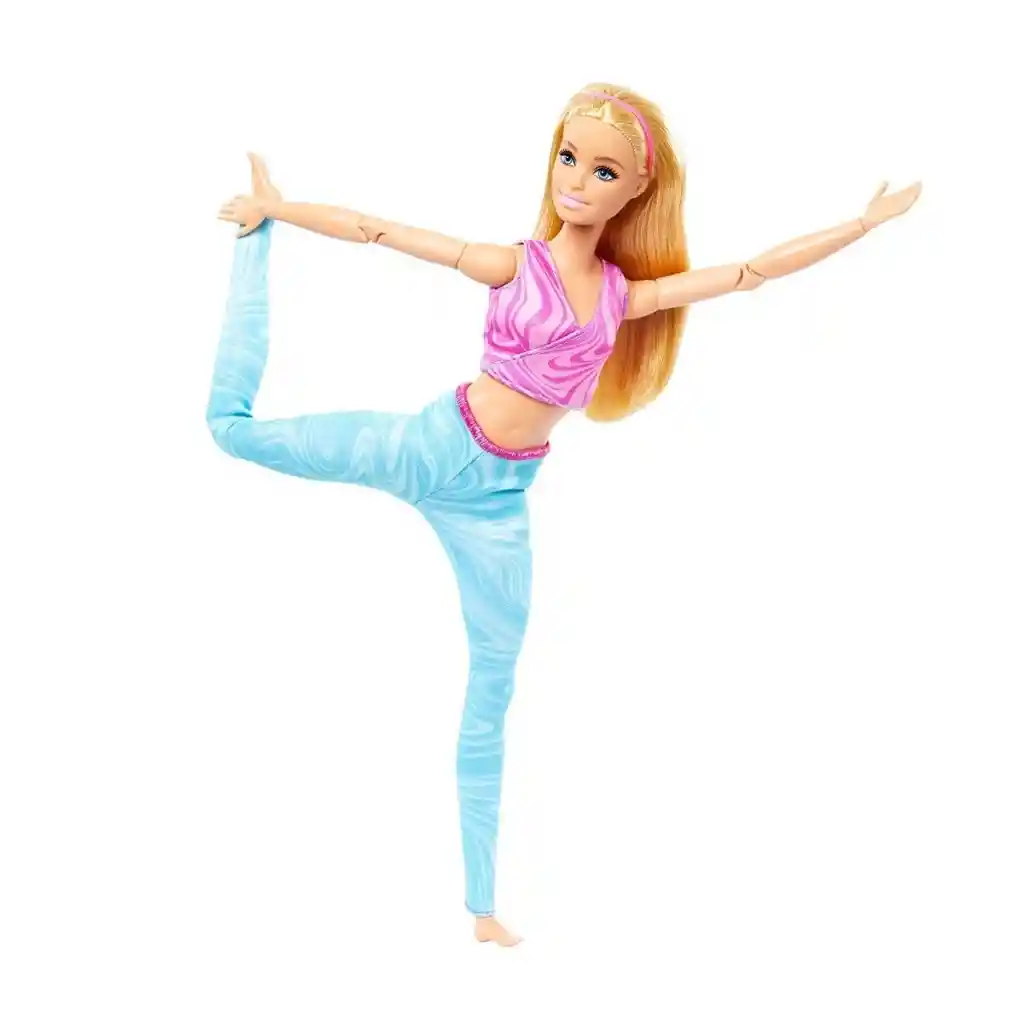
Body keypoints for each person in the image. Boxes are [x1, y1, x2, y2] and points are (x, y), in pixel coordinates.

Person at [209, 82, 921, 946]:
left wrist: (862, 225)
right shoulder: (512, 264)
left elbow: (747, 274)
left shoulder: (624, 298)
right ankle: (251, 249)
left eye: (603, 170)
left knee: (492, 691)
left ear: (638, 190)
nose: (577, 181)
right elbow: (376, 230)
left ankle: (483, 910)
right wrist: (274, 212)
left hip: (499, 502)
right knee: (233, 431)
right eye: (569, 158)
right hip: (428, 445)